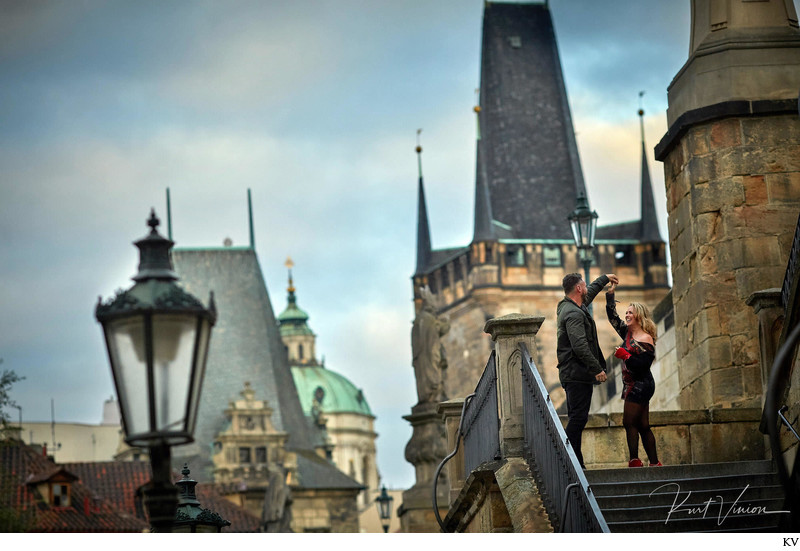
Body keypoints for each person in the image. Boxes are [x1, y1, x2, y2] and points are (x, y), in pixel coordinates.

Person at [556, 272, 617, 468]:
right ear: (578, 289)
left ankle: (576, 462)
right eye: (584, 285)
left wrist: (604, 278)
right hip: (576, 374)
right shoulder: (573, 313)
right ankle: (567, 458)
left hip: (575, 373)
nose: (586, 288)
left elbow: (589, 293)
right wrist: (596, 369)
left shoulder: (569, 305)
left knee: (578, 417)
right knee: (578, 418)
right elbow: (580, 345)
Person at [605, 279, 662, 467]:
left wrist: (625, 355)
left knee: (629, 422)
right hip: (632, 384)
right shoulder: (627, 333)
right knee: (643, 425)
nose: (627, 315)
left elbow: (643, 365)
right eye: (626, 312)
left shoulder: (645, 338)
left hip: (641, 384)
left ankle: (635, 461)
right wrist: (610, 295)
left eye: (631, 312)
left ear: (639, 315)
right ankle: (654, 463)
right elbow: (613, 317)